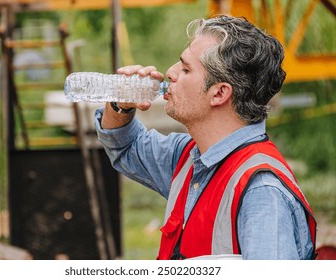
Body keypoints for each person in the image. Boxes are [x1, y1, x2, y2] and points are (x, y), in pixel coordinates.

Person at [94, 15, 317, 260]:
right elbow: (125, 146)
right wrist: (120, 105)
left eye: (186, 68)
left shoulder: (261, 193)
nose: (170, 73)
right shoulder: (189, 158)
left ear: (219, 93)